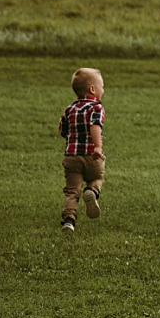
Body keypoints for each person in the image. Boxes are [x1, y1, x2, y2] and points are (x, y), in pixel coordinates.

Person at [59, 67, 107, 233]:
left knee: (71, 191)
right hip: (91, 156)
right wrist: (97, 146)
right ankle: (92, 190)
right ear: (92, 89)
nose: (103, 90)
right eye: (102, 86)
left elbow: (62, 131)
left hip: (71, 158)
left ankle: (69, 221)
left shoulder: (69, 109)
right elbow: (95, 125)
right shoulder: (96, 108)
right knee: (97, 177)